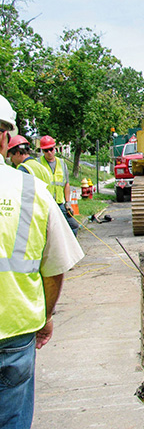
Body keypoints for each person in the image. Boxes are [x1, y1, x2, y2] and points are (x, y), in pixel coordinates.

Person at [0, 95, 84, 429]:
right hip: (16, 331)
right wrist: (46, 315)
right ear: (7, 138)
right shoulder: (29, 187)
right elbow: (54, 267)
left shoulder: (43, 177)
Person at [37, 135, 80, 237]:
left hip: (59, 203)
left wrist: (68, 203)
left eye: (51, 149)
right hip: (45, 204)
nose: (49, 152)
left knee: (73, 226)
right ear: (43, 151)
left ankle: (69, 248)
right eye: (46, 150)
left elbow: (66, 184)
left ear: (55, 148)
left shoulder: (61, 163)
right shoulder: (39, 164)